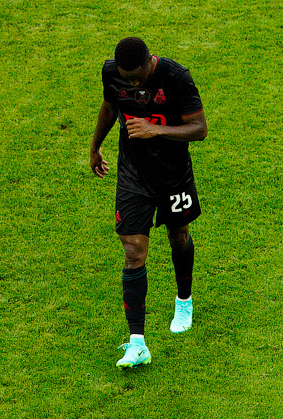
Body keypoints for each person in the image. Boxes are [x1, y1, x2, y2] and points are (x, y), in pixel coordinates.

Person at [89, 36, 208, 368]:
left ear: (149, 62)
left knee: (178, 235)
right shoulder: (111, 73)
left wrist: (156, 130)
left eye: (138, 78)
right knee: (133, 251)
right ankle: (138, 343)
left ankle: (184, 301)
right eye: (127, 80)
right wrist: (95, 146)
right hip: (133, 175)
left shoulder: (176, 77)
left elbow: (199, 129)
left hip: (173, 175)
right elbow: (110, 106)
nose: (133, 85)